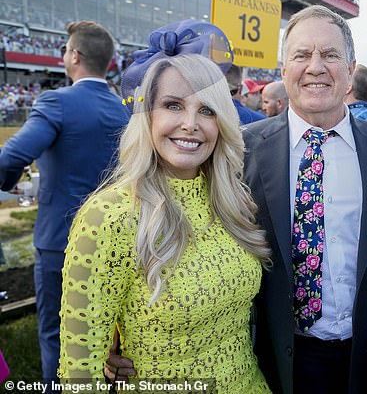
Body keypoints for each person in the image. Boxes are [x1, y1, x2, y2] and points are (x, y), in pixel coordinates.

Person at [58, 38, 272, 389]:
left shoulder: (233, 199)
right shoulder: (108, 218)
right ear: (147, 114)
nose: (190, 123)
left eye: (206, 110)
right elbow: (79, 375)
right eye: (173, 105)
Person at [243, 5, 367, 394]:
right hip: (277, 359)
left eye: (329, 55)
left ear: (350, 70)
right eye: (302, 55)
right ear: (284, 70)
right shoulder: (242, 151)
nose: (315, 66)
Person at [0, 20, 130, 387]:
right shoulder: (124, 109)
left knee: (57, 334)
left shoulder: (57, 101)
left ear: (73, 56)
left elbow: (12, 156)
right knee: (105, 334)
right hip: (117, 242)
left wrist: (9, 183)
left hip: (62, 240)